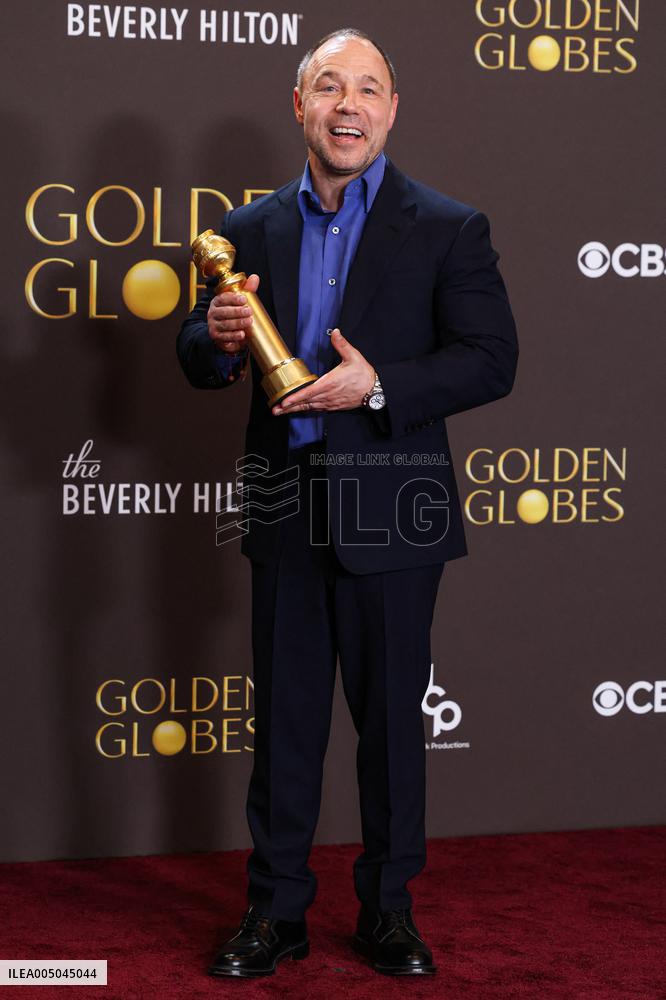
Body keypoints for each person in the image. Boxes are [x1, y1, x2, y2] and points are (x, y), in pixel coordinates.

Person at [177, 27, 518, 979]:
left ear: (392, 110)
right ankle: (274, 913)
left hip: (393, 502)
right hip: (286, 500)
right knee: (284, 724)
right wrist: (216, 339)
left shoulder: (449, 224)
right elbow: (199, 359)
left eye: (368, 89)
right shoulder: (246, 229)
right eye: (329, 86)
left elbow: (493, 361)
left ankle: (388, 914)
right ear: (300, 106)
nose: (348, 105)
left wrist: (375, 387)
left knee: (390, 732)